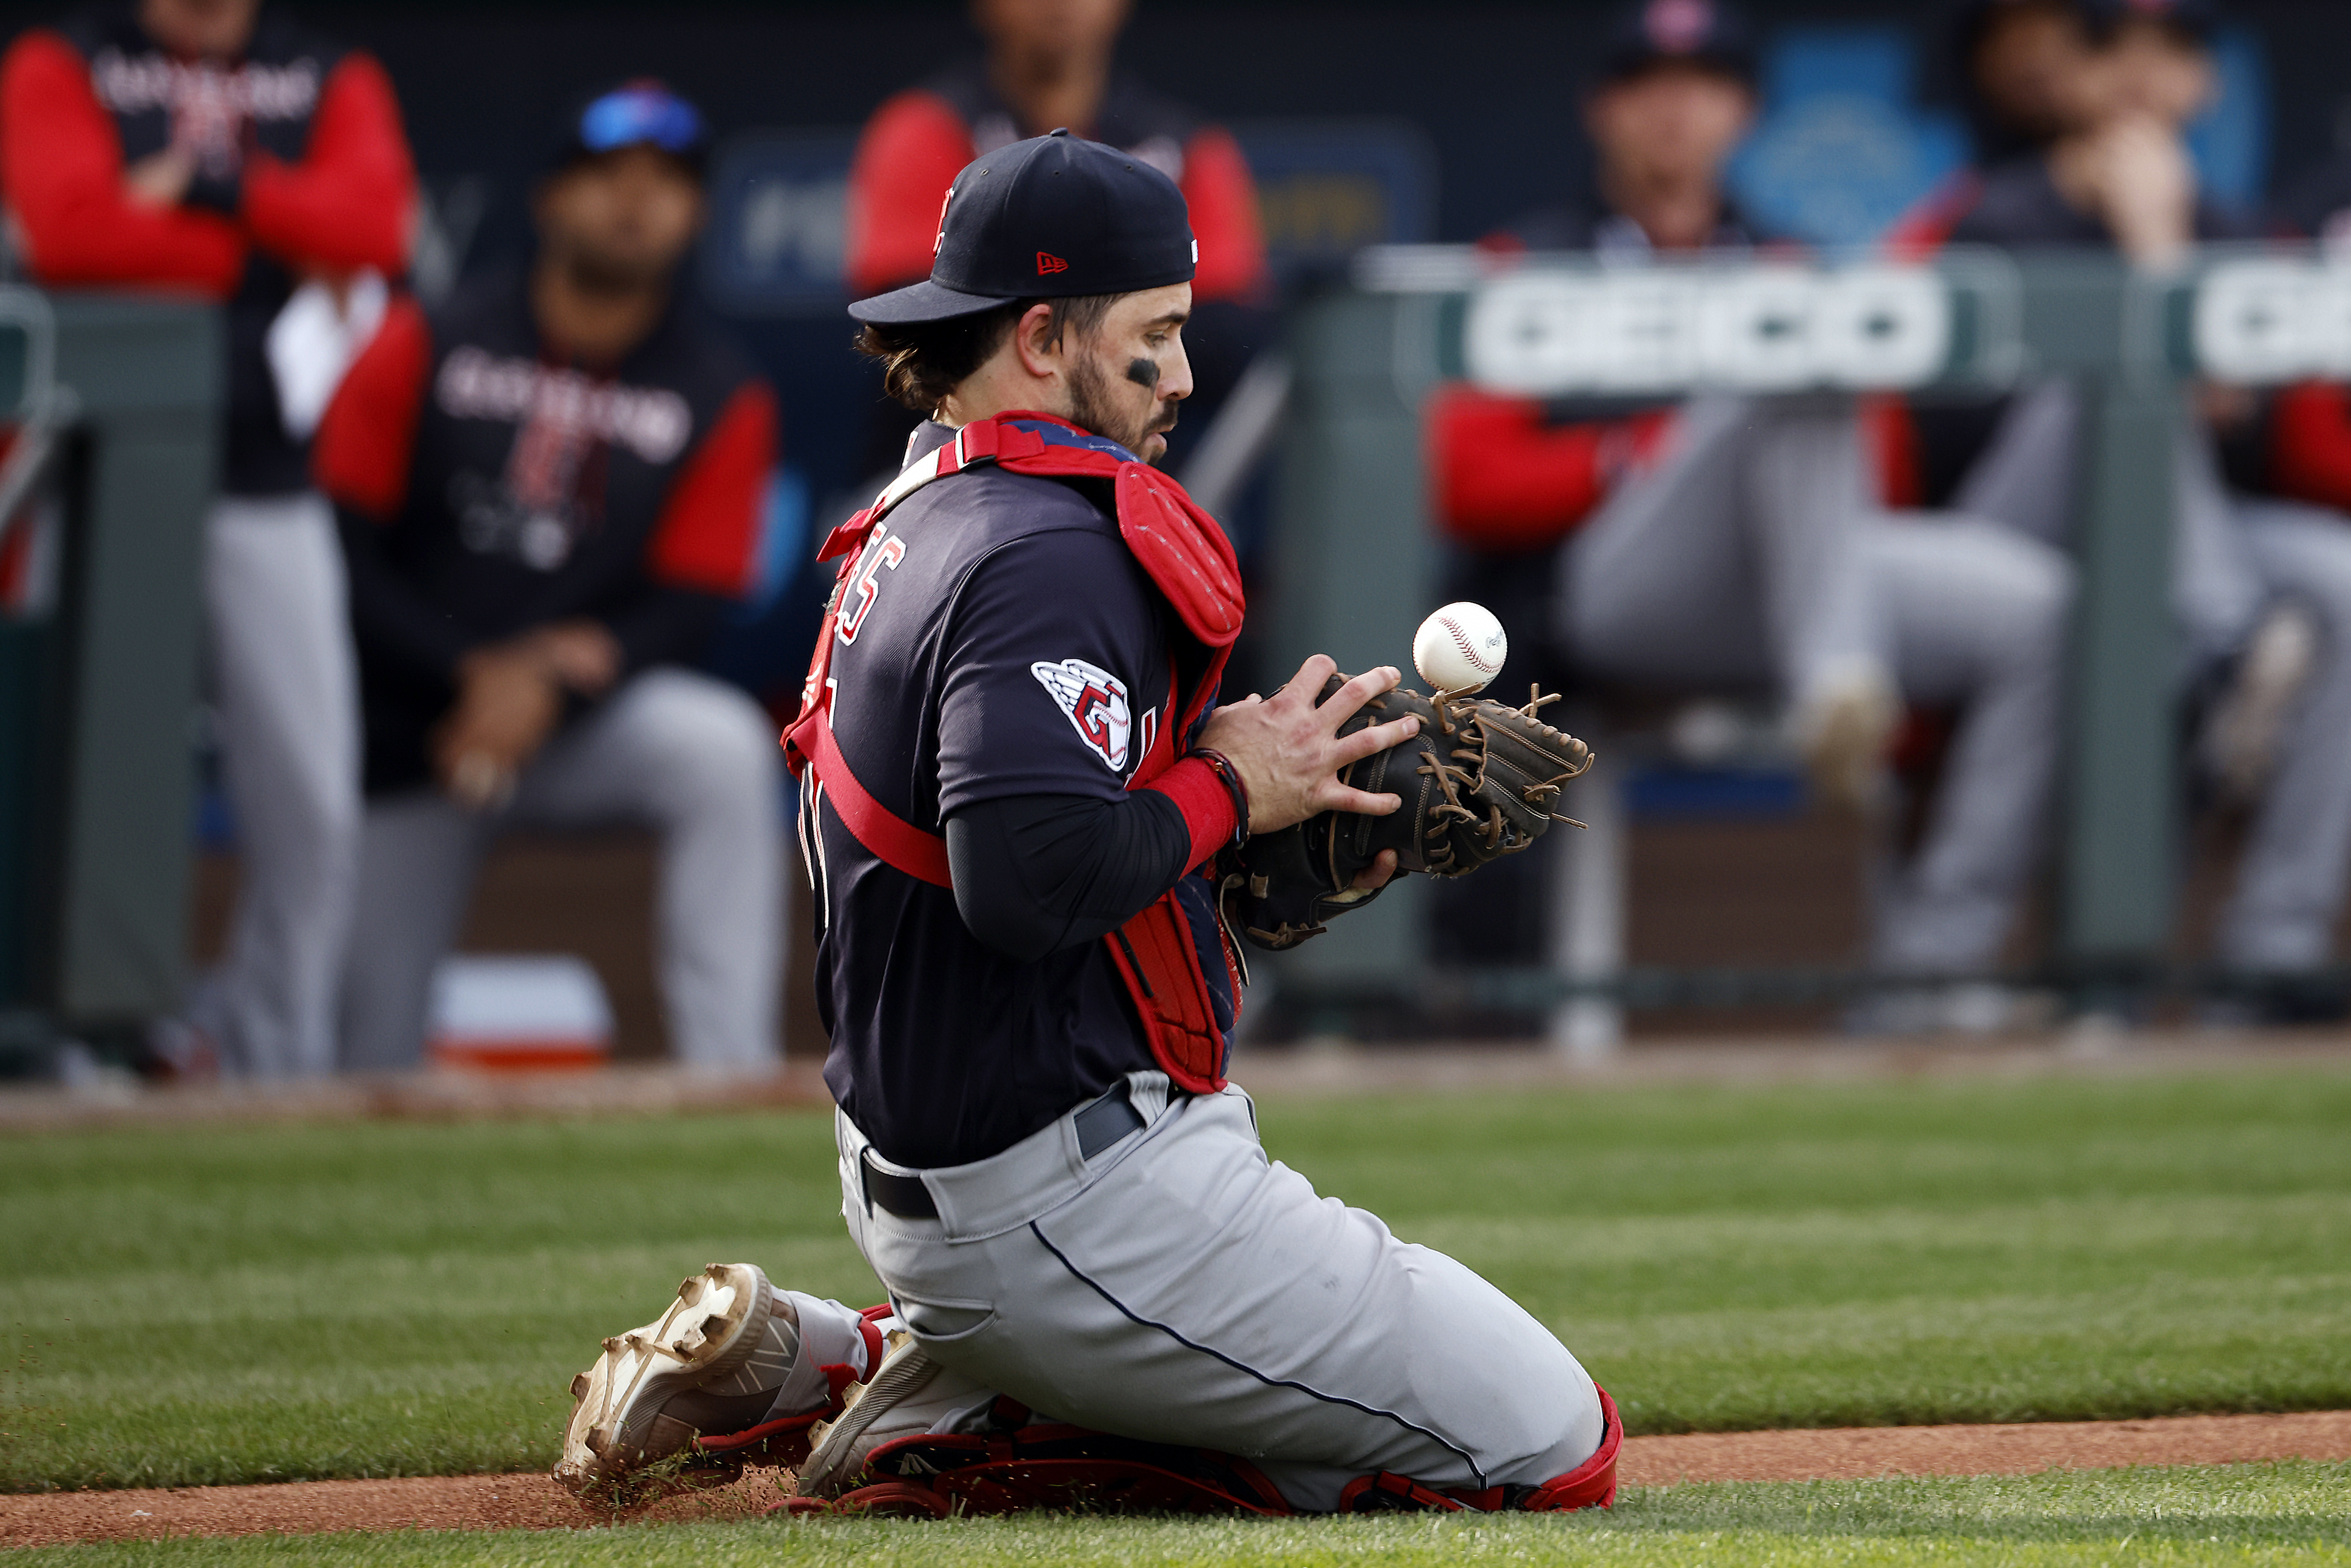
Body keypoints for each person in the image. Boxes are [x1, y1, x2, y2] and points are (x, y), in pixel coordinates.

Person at [553, 131, 1621, 1518]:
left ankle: (839, 1354)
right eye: (1156, 336)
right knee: (1551, 1441)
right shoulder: (1051, 547)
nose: (1183, 374)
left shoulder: (925, 501)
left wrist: (1245, 811)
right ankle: (958, 1420)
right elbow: (1030, 879)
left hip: (968, 1169)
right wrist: (1233, 791)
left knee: (1346, 1408)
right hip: (1074, 1202)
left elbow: (1017, 857)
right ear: (1047, 335)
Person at [1425, 0, 2075, 1000]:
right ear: (1601, 109)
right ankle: (1838, 681)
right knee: (1786, 359)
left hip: (1799, 583)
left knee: (2037, 613)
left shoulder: (1790, 263)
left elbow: (1876, 485)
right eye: (1647, 87)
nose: (1674, 112)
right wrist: (1631, 456)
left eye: (1703, 87)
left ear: (1743, 112)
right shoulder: (1530, 260)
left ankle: (1932, 966)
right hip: (1619, 592)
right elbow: (1464, 482)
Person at [313, 82, 786, 1070]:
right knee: (367, 1055)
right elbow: (337, 550)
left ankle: (726, 1076)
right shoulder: (431, 335)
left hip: (577, 725)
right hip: (421, 730)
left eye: (664, 183)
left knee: (719, 752)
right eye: (606, 175)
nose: (633, 201)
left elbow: (692, 601)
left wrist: (551, 679)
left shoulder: (718, 389)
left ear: (695, 212)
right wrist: (473, 674)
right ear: (550, 199)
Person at [1909, 0, 2351, 1014]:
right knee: (2108, 391)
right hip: (2015, 527)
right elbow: (1954, 436)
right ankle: (2232, 653)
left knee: (2339, 580)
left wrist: (2157, 233)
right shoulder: (1997, 214)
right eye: (2114, 47)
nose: (2143, 73)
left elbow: (2237, 418)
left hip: (2186, 536)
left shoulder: (2237, 227)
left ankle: (2267, 949)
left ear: (2208, 83)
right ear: (2067, 72)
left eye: (2174, 50)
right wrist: (2149, 246)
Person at [0, 0, 415, 1077]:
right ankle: (77, 1034)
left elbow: (377, 231)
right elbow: (70, 230)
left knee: (311, 799)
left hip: (264, 480)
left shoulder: (324, 71)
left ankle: (273, 1061)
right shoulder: (67, 58)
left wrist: (212, 188)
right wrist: (260, 250)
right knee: (79, 772)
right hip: (92, 479)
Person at [843, 0, 1267, 477]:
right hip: (943, 467)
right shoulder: (925, 127)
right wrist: (1120, 311)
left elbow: (1229, 338)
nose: (1058, 4)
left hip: (1147, 470)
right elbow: (920, 323)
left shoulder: (1187, 146)